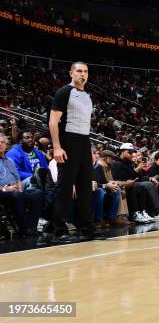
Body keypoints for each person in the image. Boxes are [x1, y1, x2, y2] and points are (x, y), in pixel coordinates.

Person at [49, 61, 104, 243]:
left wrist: (88, 149)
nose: (83, 74)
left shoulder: (87, 96)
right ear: (71, 73)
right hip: (67, 141)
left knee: (85, 187)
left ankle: (86, 228)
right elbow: (53, 121)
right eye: (79, 71)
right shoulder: (64, 92)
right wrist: (57, 146)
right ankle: (59, 230)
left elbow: (85, 126)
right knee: (65, 187)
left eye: (86, 71)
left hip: (83, 141)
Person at [0, 133, 44, 237]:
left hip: (15, 190)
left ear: (6, 145)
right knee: (17, 195)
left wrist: (19, 188)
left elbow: (18, 179)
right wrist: (7, 189)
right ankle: (23, 229)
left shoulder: (9, 161)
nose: (0, 144)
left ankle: (31, 227)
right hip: (2, 191)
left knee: (37, 193)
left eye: (2, 142)